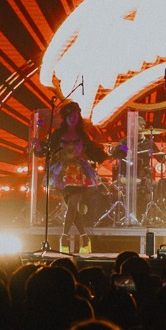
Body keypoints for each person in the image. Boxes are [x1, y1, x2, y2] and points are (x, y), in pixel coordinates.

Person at [46, 99, 105, 248]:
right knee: (73, 208)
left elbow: (92, 150)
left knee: (72, 205)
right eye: (70, 115)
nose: (73, 118)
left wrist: (106, 154)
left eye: (76, 115)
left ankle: (63, 238)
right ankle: (84, 237)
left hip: (80, 174)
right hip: (62, 175)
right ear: (65, 117)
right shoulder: (57, 135)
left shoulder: (83, 135)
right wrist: (38, 146)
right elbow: (47, 150)